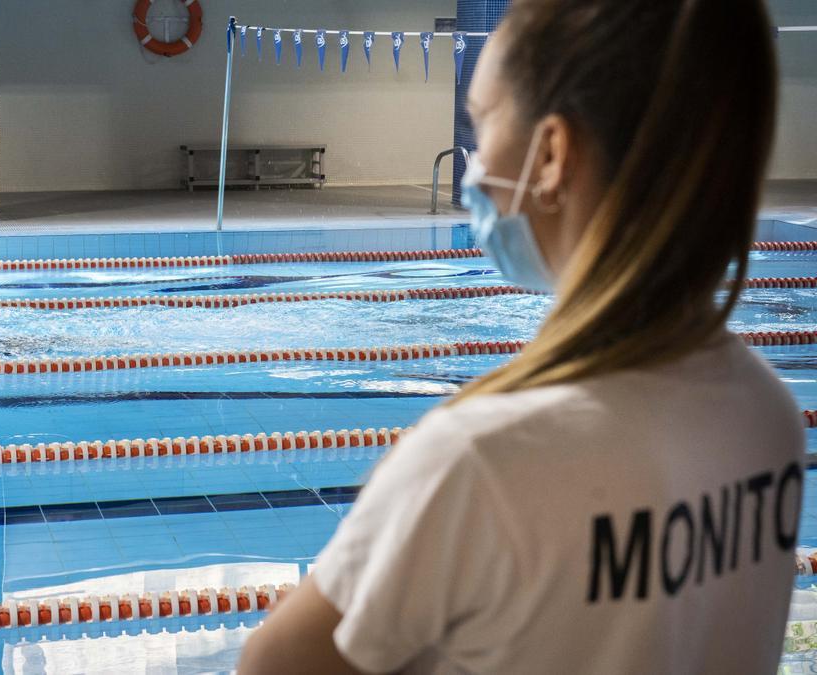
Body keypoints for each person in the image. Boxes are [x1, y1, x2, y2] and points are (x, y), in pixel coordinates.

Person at [239, 0, 802, 673]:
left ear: (553, 154)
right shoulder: (767, 414)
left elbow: (272, 663)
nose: (474, 164)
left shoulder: (481, 458)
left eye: (480, 125)